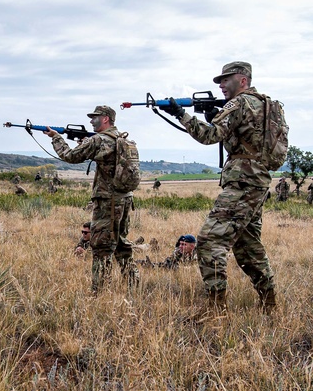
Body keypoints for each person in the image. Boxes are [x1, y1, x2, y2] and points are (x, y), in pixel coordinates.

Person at [159, 61, 278, 314]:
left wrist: (181, 114)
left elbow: (208, 136)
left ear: (243, 80)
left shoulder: (239, 103)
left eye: (226, 80)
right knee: (248, 247)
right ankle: (269, 305)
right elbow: (248, 138)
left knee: (210, 242)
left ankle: (216, 310)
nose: (222, 85)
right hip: (258, 180)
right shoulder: (266, 104)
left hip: (242, 182)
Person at [45, 105, 139, 292]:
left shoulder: (98, 140)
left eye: (95, 117)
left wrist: (56, 138)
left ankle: (100, 293)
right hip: (125, 199)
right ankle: (133, 285)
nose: (91, 121)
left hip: (107, 201)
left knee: (101, 247)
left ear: (105, 119)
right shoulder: (122, 139)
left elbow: (69, 156)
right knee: (121, 244)